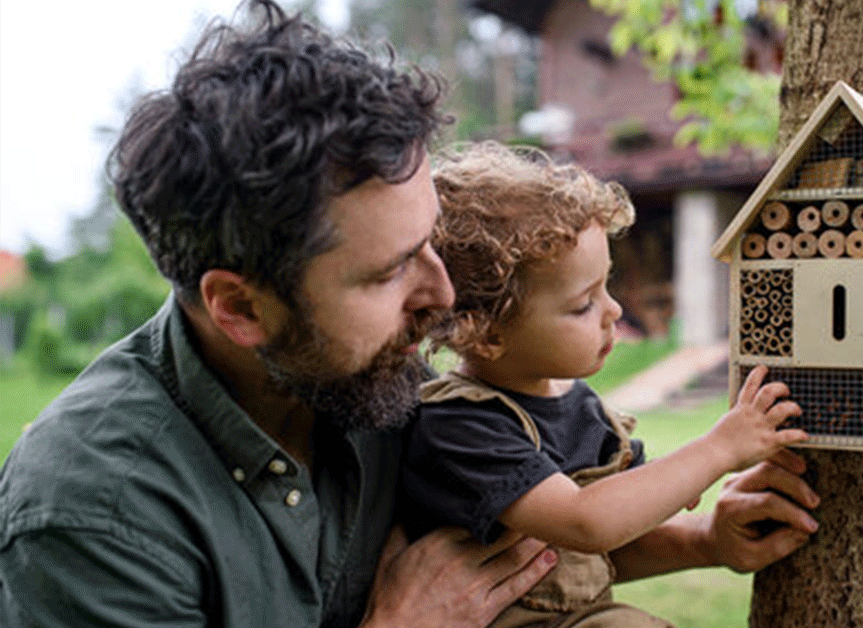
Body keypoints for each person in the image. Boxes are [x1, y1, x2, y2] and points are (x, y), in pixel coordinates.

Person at [0, 2, 819, 627]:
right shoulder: (95, 518)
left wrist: (705, 540)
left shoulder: (380, 378)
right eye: (390, 271)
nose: (441, 297)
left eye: (433, 243)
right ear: (240, 307)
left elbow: (523, 555)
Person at [401, 142, 815, 627]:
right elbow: (586, 522)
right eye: (583, 305)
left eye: (607, 286)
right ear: (488, 333)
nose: (615, 311)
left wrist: (709, 540)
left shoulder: (580, 407)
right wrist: (720, 448)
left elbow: (607, 548)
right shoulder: (457, 423)